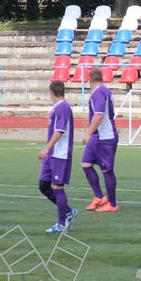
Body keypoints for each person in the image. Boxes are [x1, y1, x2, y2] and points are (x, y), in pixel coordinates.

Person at [38, 81, 77, 234]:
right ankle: (68, 211)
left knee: (57, 187)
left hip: (60, 154)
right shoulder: (57, 108)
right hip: (52, 155)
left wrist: (46, 148)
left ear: (51, 92)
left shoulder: (63, 107)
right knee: (44, 185)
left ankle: (62, 224)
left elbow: (59, 131)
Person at [81, 67, 119, 212]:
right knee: (86, 164)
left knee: (107, 170)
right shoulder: (104, 91)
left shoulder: (99, 93)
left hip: (105, 137)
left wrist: (88, 133)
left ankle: (112, 204)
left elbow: (99, 114)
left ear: (89, 80)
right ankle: (99, 196)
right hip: (98, 136)